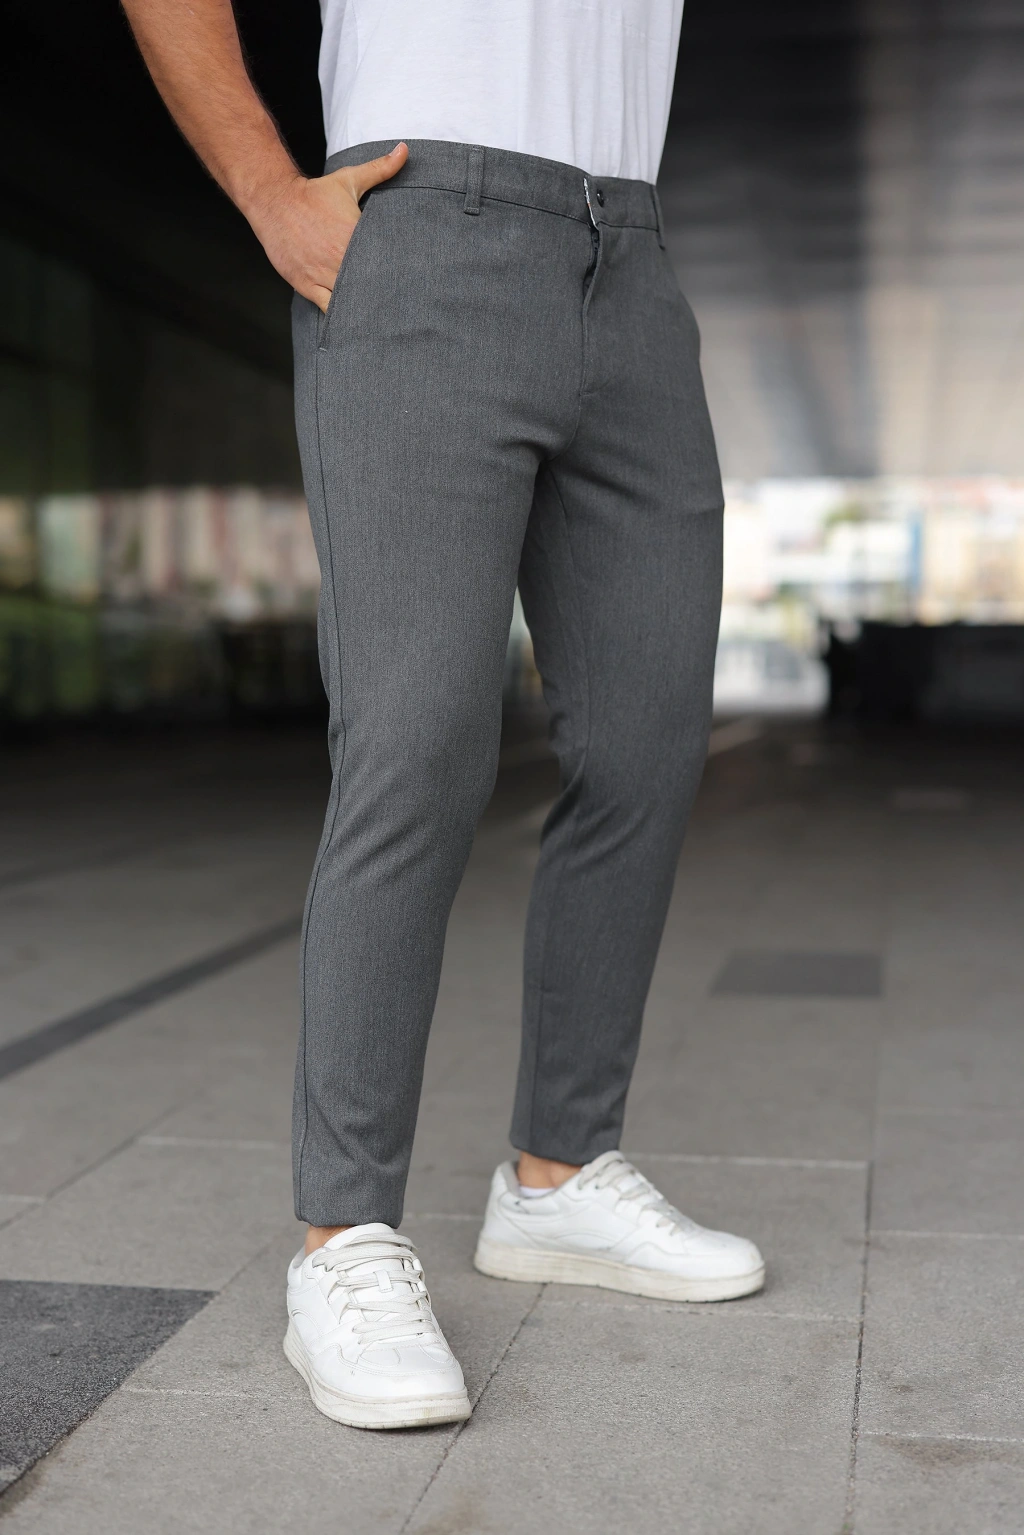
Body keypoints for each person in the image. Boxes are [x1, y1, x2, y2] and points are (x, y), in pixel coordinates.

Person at [123, 0, 765, 1431]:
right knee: (417, 745)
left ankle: (559, 1174)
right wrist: (269, 191)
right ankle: (342, 1237)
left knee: (648, 741)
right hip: (422, 235)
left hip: (631, 260)